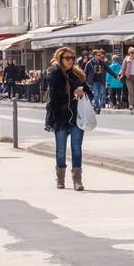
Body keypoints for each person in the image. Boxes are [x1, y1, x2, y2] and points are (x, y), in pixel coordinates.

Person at [45, 47, 87, 190]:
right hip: (60, 117)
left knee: (77, 149)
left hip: (77, 117)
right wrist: (71, 92)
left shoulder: (78, 74)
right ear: (60, 59)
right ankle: (60, 178)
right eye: (67, 58)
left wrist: (82, 93)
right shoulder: (54, 74)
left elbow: (90, 92)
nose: (70, 61)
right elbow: (54, 97)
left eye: (72, 58)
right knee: (60, 149)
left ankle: (77, 180)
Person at [119, 45, 134, 112]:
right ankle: (131, 105)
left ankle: (132, 104)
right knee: (131, 91)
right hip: (128, 77)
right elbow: (123, 68)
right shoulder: (126, 60)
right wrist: (120, 74)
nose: (133, 54)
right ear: (129, 53)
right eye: (132, 53)